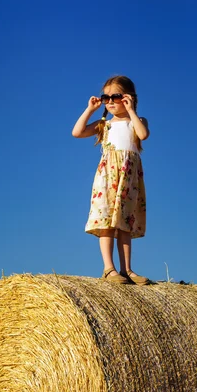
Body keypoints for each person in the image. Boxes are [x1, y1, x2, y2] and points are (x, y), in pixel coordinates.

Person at [72, 75, 150, 285]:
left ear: (128, 97)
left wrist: (131, 110)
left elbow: (142, 135)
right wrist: (90, 110)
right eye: (106, 98)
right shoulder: (103, 124)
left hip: (129, 177)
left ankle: (127, 269)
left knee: (125, 224)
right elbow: (77, 132)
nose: (110, 102)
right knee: (106, 222)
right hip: (107, 177)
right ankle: (109, 268)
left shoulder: (137, 121)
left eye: (116, 97)